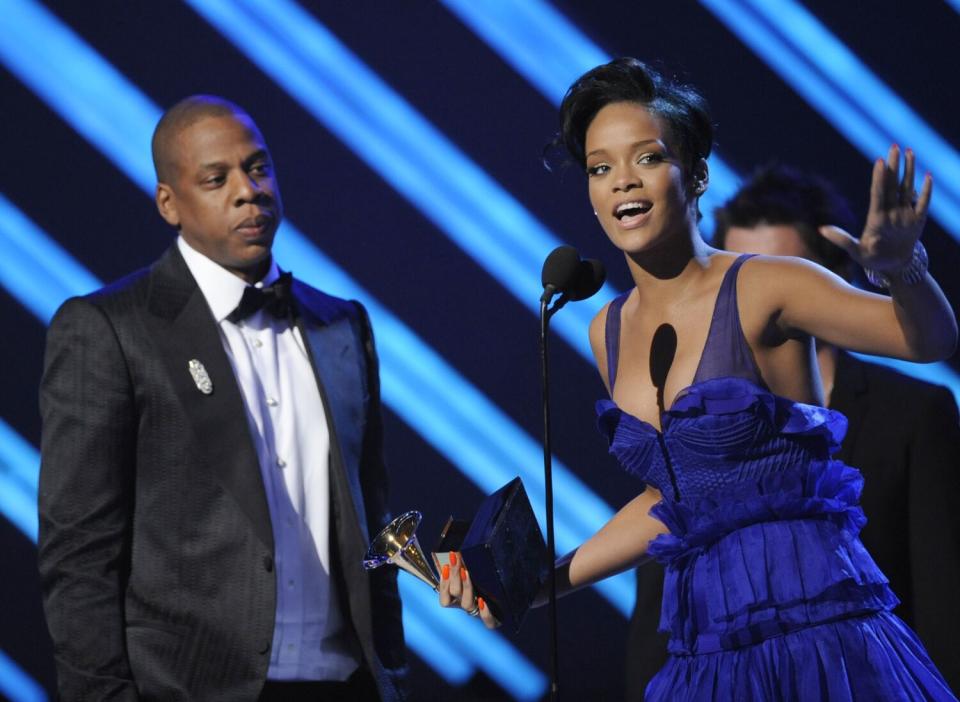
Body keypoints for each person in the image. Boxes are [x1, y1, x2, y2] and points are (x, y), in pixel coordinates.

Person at [440, 59, 958, 700]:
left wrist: (904, 269)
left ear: (698, 175)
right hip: (706, 646)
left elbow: (928, 339)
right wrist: (539, 584)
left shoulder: (765, 283)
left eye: (647, 158)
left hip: (814, 633)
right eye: (600, 168)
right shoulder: (608, 330)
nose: (622, 182)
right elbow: (677, 499)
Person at [38, 96, 407, 701]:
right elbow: (79, 554)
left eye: (258, 168)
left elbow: (373, 525)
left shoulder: (342, 326)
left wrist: (392, 675)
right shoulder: (109, 329)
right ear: (169, 203)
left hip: (346, 684)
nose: (248, 190)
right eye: (217, 179)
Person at [624, 163, 960, 698]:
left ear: (829, 278)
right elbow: (658, 603)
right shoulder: (690, 421)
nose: (758, 290)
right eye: (739, 270)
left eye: (778, 270)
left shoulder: (913, 413)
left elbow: (946, 600)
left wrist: (904, 271)